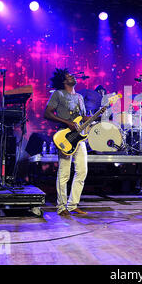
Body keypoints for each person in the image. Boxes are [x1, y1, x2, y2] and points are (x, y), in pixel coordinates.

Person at [44, 68, 90, 216]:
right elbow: (47, 113)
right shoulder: (58, 94)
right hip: (65, 136)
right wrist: (66, 122)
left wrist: (93, 117)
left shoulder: (80, 97)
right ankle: (61, 207)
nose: (73, 77)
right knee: (64, 173)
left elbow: (81, 117)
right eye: (69, 76)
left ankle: (72, 205)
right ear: (64, 81)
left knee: (82, 171)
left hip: (79, 137)